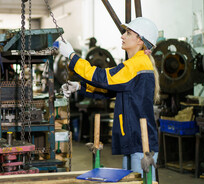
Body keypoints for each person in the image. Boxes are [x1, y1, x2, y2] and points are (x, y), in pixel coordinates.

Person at [57, 17, 160, 180]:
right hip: (134, 138)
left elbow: (103, 77)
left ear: (140, 40)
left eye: (128, 33)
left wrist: (72, 57)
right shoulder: (134, 63)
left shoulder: (138, 64)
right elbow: (109, 89)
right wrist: (79, 87)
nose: (123, 36)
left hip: (141, 140)